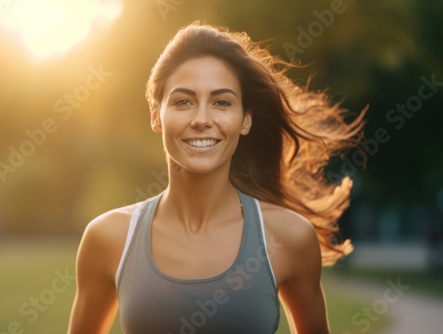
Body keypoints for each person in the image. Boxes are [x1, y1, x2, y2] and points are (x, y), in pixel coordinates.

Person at [68, 22, 365, 334]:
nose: (201, 120)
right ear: (156, 114)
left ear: (245, 120)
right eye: (184, 101)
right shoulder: (107, 238)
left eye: (221, 102)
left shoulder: (289, 237)